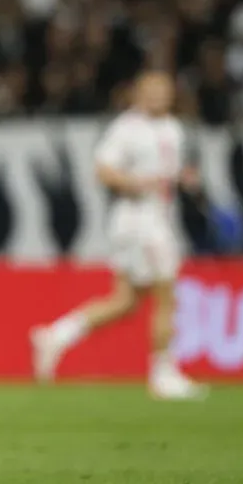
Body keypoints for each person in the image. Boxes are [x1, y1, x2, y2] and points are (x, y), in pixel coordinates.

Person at [30, 70, 207, 400]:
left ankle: (56, 335)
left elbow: (165, 173)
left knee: (126, 301)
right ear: (137, 94)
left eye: (163, 90)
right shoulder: (127, 128)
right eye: (150, 90)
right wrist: (136, 183)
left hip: (157, 216)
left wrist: (183, 178)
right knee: (166, 296)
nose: (157, 96)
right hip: (139, 220)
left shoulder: (172, 128)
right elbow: (103, 171)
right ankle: (163, 374)